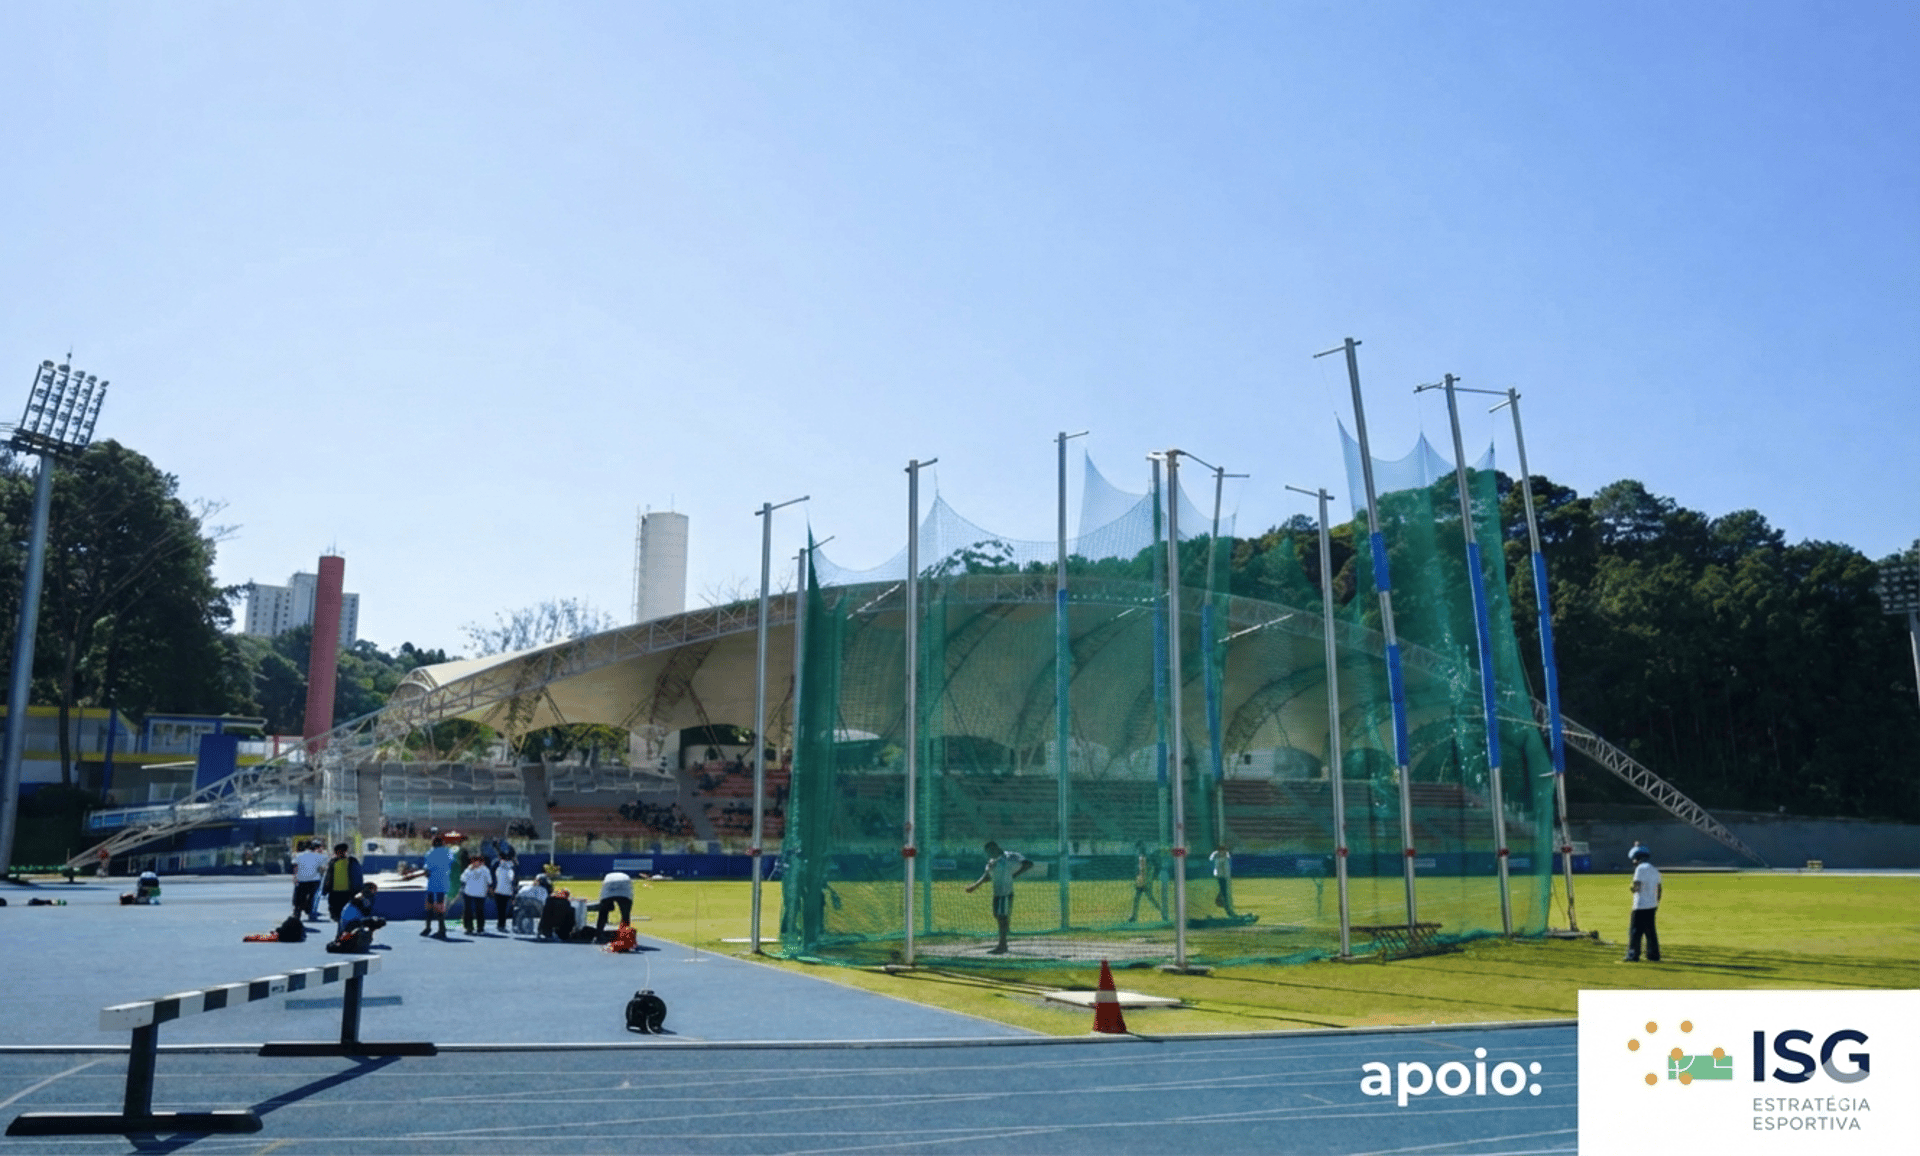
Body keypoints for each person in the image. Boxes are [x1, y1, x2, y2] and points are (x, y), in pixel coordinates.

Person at [964, 841, 1031, 954]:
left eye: (990, 851)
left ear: (996, 848)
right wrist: (975, 886)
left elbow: (1028, 863)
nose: (989, 854)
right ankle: (1003, 938)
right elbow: (987, 876)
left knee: (1001, 917)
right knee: (998, 916)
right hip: (997, 894)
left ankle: (1002, 945)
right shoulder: (991, 862)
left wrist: (1015, 874)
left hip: (1005, 893)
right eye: (987, 852)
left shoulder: (1009, 857)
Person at [1623, 844, 1663, 962]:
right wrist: (1656, 902)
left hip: (1640, 905)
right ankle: (1653, 954)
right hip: (1652, 905)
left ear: (1637, 858)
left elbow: (1637, 887)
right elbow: (1659, 889)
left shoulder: (1639, 869)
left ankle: (1633, 954)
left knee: (1635, 931)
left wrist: (1631, 888)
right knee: (1651, 931)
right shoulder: (1655, 870)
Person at [330, 882, 387, 953]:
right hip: (351, 923)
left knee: (374, 921)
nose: (375, 892)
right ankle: (356, 939)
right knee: (376, 921)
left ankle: (361, 938)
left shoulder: (361, 897)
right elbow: (366, 911)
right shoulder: (363, 897)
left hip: (350, 922)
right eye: (374, 889)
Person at [420, 832, 455, 938]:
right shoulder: (449, 852)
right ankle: (441, 928)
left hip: (433, 883)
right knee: (440, 906)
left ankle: (429, 928)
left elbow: (427, 870)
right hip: (444, 883)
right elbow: (452, 863)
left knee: (430, 906)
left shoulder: (430, 853)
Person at [322, 843, 364, 923]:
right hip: (334, 893)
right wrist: (325, 888)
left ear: (345, 851)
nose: (340, 853)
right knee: (335, 914)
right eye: (338, 852)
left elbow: (358, 876)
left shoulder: (352, 862)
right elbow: (328, 877)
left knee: (346, 915)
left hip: (348, 893)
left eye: (342, 851)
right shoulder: (333, 862)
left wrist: (358, 890)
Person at [291, 839, 326, 922]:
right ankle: (309, 911)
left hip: (301, 879)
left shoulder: (298, 855)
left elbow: (295, 866)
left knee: (299, 896)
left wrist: (295, 877)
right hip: (314, 880)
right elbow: (322, 868)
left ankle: (297, 912)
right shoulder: (319, 856)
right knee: (312, 896)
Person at [1128, 842, 1164, 922]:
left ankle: (1163, 912)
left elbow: (1147, 870)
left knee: (1148, 898)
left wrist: (1145, 881)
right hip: (1143, 880)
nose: (1138, 850)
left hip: (1145, 881)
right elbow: (1142, 870)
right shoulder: (1143, 857)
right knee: (1140, 898)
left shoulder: (1145, 857)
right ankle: (1134, 916)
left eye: (1138, 848)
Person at [459, 854, 492, 935]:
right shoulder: (469, 869)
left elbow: (490, 881)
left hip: (480, 894)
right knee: (468, 911)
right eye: (474, 861)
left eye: (478, 861)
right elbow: (462, 878)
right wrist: (469, 870)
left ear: (481, 862)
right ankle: (469, 928)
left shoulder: (485, 870)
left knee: (479, 911)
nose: (476, 863)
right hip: (469, 893)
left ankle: (480, 928)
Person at [491, 850, 517, 932]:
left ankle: (501, 924)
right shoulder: (511, 865)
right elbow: (514, 878)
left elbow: (493, 875)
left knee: (501, 909)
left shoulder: (498, 864)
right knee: (503, 908)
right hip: (505, 890)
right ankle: (501, 924)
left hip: (501, 890)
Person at [1209, 844, 1238, 917]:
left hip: (1224, 878)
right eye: (1222, 850)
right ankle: (1226, 908)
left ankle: (1223, 904)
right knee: (1224, 893)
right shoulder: (1218, 858)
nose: (1224, 852)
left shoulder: (1225, 857)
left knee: (1224, 892)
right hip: (1221, 877)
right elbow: (1212, 860)